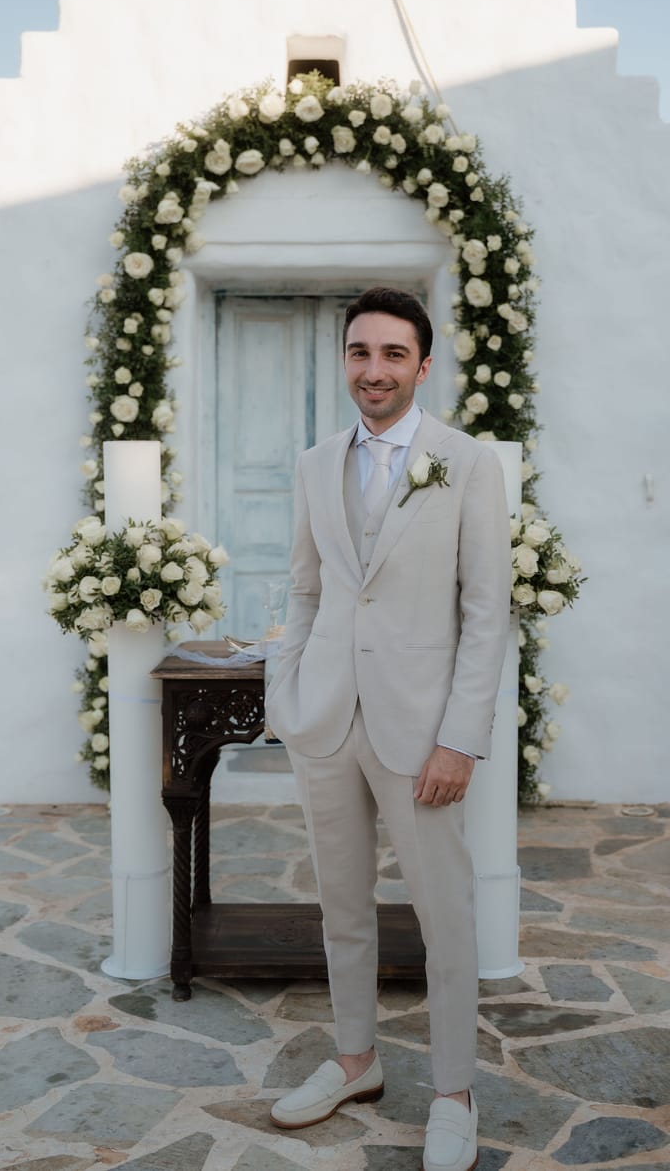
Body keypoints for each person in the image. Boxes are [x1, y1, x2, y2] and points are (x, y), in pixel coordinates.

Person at [264, 286, 511, 1171]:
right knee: (341, 906)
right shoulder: (313, 462)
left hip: (422, 733)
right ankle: (356, 1061)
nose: (375, 370)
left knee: (445, 915)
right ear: (345, 361)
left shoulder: (467, 463)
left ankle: (453, 1091)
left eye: (393, 354)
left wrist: (460, 737)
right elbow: (304, 586)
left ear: (423, 364)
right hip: (326, 718)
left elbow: (487, 612)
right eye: (360, 353)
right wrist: (286, 690)